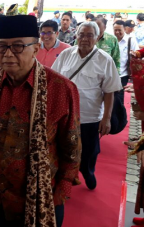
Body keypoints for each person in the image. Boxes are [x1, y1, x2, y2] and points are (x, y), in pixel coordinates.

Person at [0, 14, 81, 227]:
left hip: (42, 198)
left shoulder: (61, 89)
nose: (8, 54)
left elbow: (72, 146)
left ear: (36, 48)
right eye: (2, 47)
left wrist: (62, 190)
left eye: (19, 46)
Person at [52, 21, 122, 190]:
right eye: (81, 35)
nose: (84, 39)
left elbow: (110, 91)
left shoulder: (105, 60)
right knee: (61, 148)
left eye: (89, 35)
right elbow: (53, 80)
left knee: (89, 151)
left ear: (97, 37)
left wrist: (106, 119)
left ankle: (87, 171)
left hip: (90, 117)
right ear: (76, 36)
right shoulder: (66, 54)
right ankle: (64, 178)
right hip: (64, 115)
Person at [114, 20, 138, 93]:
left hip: (123, 73)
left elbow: (137, 55)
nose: (117, 32)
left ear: (124, 29)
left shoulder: (130, 40)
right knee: (112, 95)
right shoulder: (111, 40)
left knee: (119, 95)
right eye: (115, 30)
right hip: (111, 73)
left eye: (119, 30)